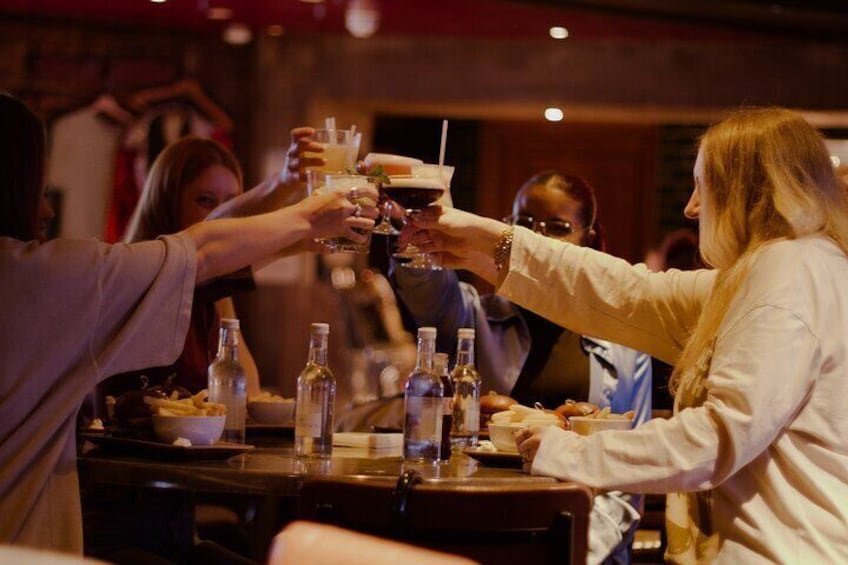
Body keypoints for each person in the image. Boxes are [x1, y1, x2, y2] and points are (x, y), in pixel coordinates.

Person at [402, 107, 848, 563]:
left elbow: (715, 438)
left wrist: (573, 452)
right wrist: (485, 241)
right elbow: (628, 294)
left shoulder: (787, 273)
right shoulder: (779, 270)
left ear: (746, 190)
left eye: (703, 186)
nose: (691, 208)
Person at [0, 92, 378, 555]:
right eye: (40, 190)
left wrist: (296, 227)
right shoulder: (39, 276)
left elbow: (209, 256)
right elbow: (199, 251)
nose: (48, 210)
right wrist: (309, 213)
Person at [390, 171, 651, 564]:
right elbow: (425, 288)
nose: (536, 238)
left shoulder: (625, 344)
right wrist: (422, 231)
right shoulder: (471, 317)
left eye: (557, 228)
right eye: (524, 225)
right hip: (479, 529)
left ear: (589, 239)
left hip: (579, 539)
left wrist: (575, 551)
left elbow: (630, 474)